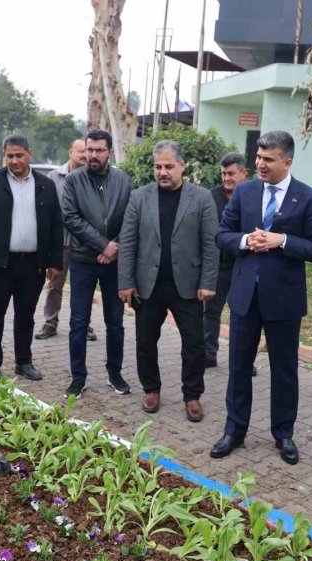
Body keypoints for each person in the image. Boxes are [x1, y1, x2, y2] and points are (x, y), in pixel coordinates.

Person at [209, 131, 312, 465]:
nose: (260, 164)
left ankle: (283, 433)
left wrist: (282, 240)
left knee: (284, 370)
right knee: (238, 367)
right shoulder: (245, 192)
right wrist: (247, 241)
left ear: (287, 161)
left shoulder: (309, 199)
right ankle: (234, 431)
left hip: (284, 300)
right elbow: (222, 235)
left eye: (268, 159)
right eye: (258, 158)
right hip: (245, 295)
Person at [118, 140, 219, 421]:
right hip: (148, 285)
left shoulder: (201, 198)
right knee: (146, 342)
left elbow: (211, 244)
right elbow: (127, 242)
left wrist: (207, 281)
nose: (162, 172)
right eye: (158, 166)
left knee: (195, 343)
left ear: (182, 166)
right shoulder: (139, 197)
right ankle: (151, 389)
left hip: (187, 285)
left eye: (169, 166)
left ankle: (192, 395)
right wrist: (125, 282)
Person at [0, 135, 64, 380]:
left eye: (19, 155)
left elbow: (55, 226)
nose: (14, 160)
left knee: (25, 316)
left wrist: (54, 261)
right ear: (3, 156)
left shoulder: (45, 185)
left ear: (30, 154)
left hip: (33, 264)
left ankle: (23, 361)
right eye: (10, 156)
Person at [62, 129, 133, 399]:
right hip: (83, 260)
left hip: (114, 263)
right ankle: (78, 378)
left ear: (109, 152)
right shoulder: (73, 180)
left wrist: (114, 246)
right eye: (89, 149)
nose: (92, 155)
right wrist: (102, 244)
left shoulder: (123, 180)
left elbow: (131, 218)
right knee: (78, 322)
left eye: (99, 150)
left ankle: (115, 374)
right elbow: (70, 218)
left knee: (115, 322)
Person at [34, 139, 97, 342]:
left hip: (84, 243)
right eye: (80, 151)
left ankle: (83, 325)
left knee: (83, 287)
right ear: (70, 152)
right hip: (59, 243)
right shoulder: (54, 177)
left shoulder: (94, 177)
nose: (84, 155)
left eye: (86, 151)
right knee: (54, 285)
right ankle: (50, 323)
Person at [205, 152, 256, 377]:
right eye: (224, 174)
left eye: (231, 174)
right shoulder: (211, 197)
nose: (227, 178)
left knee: (243, 315)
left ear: (244, 174)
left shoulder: (255, 196)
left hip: (243, 265)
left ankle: (244, 360)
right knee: (211, 312)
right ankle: (208, 355)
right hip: (217, 266)